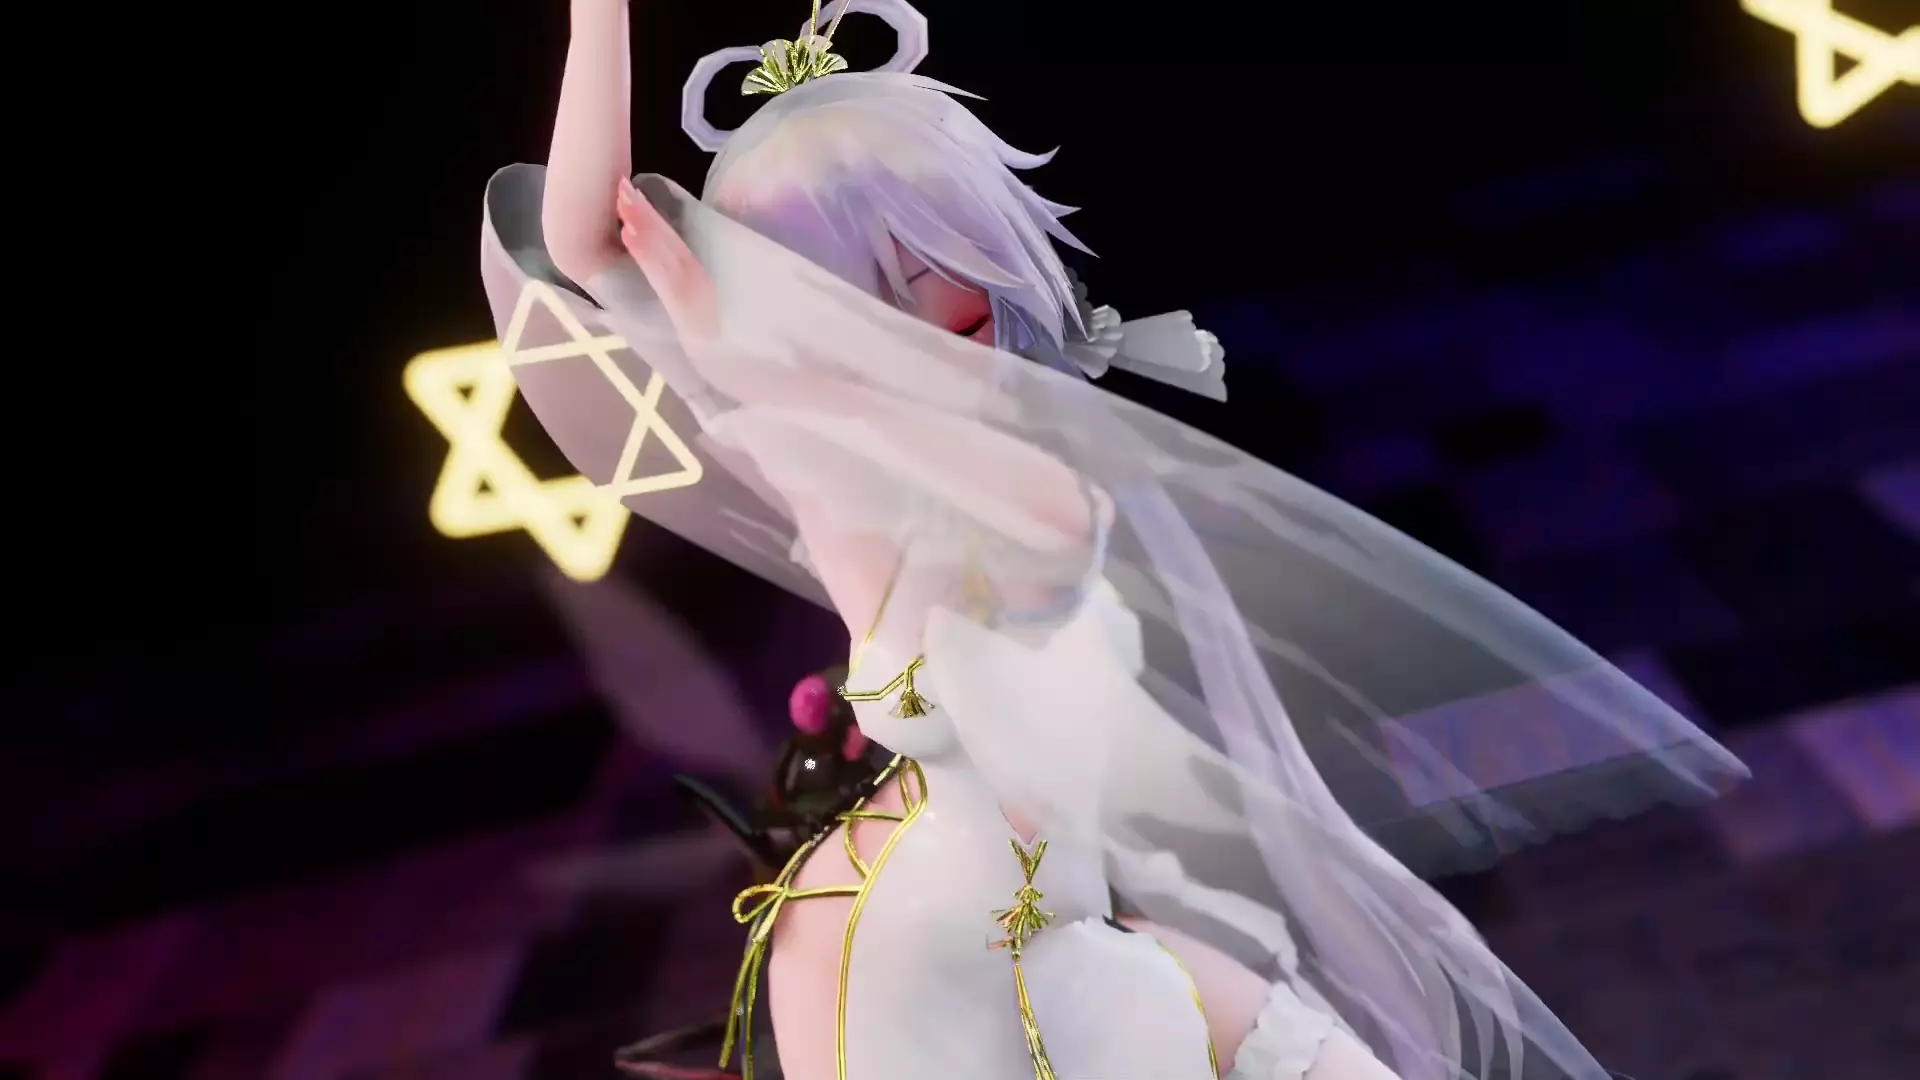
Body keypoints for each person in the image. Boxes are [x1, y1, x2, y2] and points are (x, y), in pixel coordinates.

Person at [475, 3, 1749, 1079]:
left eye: (953, 308)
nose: (926, 338)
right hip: (902, 961)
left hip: (1019, 946)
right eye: (865, 304)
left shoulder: (980, 462)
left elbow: (1051, 532)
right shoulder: (798, 441)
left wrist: (788, 376)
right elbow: (584, 238)